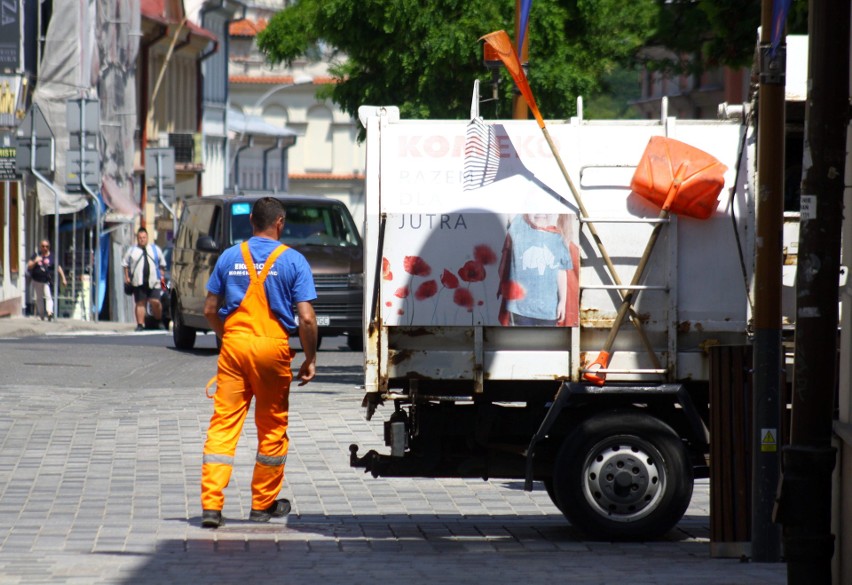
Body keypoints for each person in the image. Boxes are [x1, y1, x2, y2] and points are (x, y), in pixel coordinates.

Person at [200, 197, 318, 529]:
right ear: (280, 222)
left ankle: (211, 506)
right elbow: (307, 319)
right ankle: (262, 505)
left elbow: (210, 308)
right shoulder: (294, 261)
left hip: (234, 347)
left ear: (251, 220)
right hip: (272, 350)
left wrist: (230, 337)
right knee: (271, 428)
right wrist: (310, 359)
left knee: (223, 426)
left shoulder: (228, 256)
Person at [497, 213, 577, 327]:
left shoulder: (558, 239)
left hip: (549, 311)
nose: (540, 212)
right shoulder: (518, 230)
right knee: (520, 343)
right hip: (519, 309)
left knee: (546, 343)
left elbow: (561, 272)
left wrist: (562, 302)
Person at [122, 227, 167, 331]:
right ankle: (140, 324)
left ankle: (159, 321)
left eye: (144, 237)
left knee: (155, 301)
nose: (142, 239)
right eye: (140, 237)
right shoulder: (132, 250)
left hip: (154, 281)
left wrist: (162, 281)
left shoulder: (155, 249)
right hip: (138, 282)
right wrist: (127, 278)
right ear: (137, 238)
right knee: (140, 303)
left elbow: (162, 265)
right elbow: (125, 264)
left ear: (147, 238)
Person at [27, 239, 67, 321]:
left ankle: (49, 312)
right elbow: (29, 266)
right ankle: (41, 315)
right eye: (43, 246)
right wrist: (35, 261)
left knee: (48, 296)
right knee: (39, 298)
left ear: (49, 247)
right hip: (36, 280)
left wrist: (63, 278)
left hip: (46, 280)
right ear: (40, 247)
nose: (45, 248)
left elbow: (58, 267)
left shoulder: (52, 256)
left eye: (47, 246)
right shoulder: (36, 255)